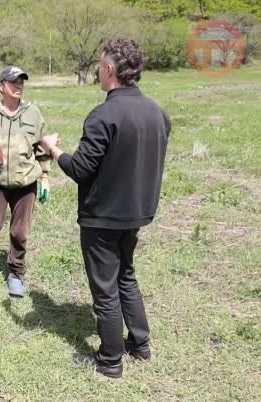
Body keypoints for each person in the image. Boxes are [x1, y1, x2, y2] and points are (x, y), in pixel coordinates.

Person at [41, 39, 171, 378]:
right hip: (137, 212)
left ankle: (110, 361)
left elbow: (79, 169)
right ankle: (140, 346)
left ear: (110, 70)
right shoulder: (157, 112)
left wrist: (53, 151)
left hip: (103, 217)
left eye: (100, 65)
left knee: (105, 288)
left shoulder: (103, 115)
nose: (98, 71)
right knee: (126, 275)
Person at [0, 65, 52, 298]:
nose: (19, 86)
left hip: (25, 184)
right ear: (1, 86)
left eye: (21, 82)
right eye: (13, 82)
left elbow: (43, 146)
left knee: (20, 233)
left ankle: (16, 274)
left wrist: (45, 176)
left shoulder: (33, 113)